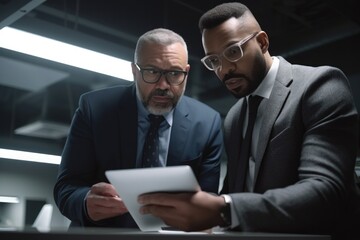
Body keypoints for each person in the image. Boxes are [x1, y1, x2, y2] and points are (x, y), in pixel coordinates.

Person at [138, 2, 360, 239]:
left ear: (262, 42)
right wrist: (178, 208)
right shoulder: (234, 117)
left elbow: (325, 191)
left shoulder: (321, 86)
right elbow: (234, 193)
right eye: (213, 61)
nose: (224, 70)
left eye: (233, 52)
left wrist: (224, 208)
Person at [53, 28, 223, 228]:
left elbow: (208, 198)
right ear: (134, 71)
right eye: (152, 71)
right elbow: (66, 187)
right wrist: (84, 202)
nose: (163, 85)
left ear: (186, 72)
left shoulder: (207, 122)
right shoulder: (94, 109)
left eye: (174, 74)